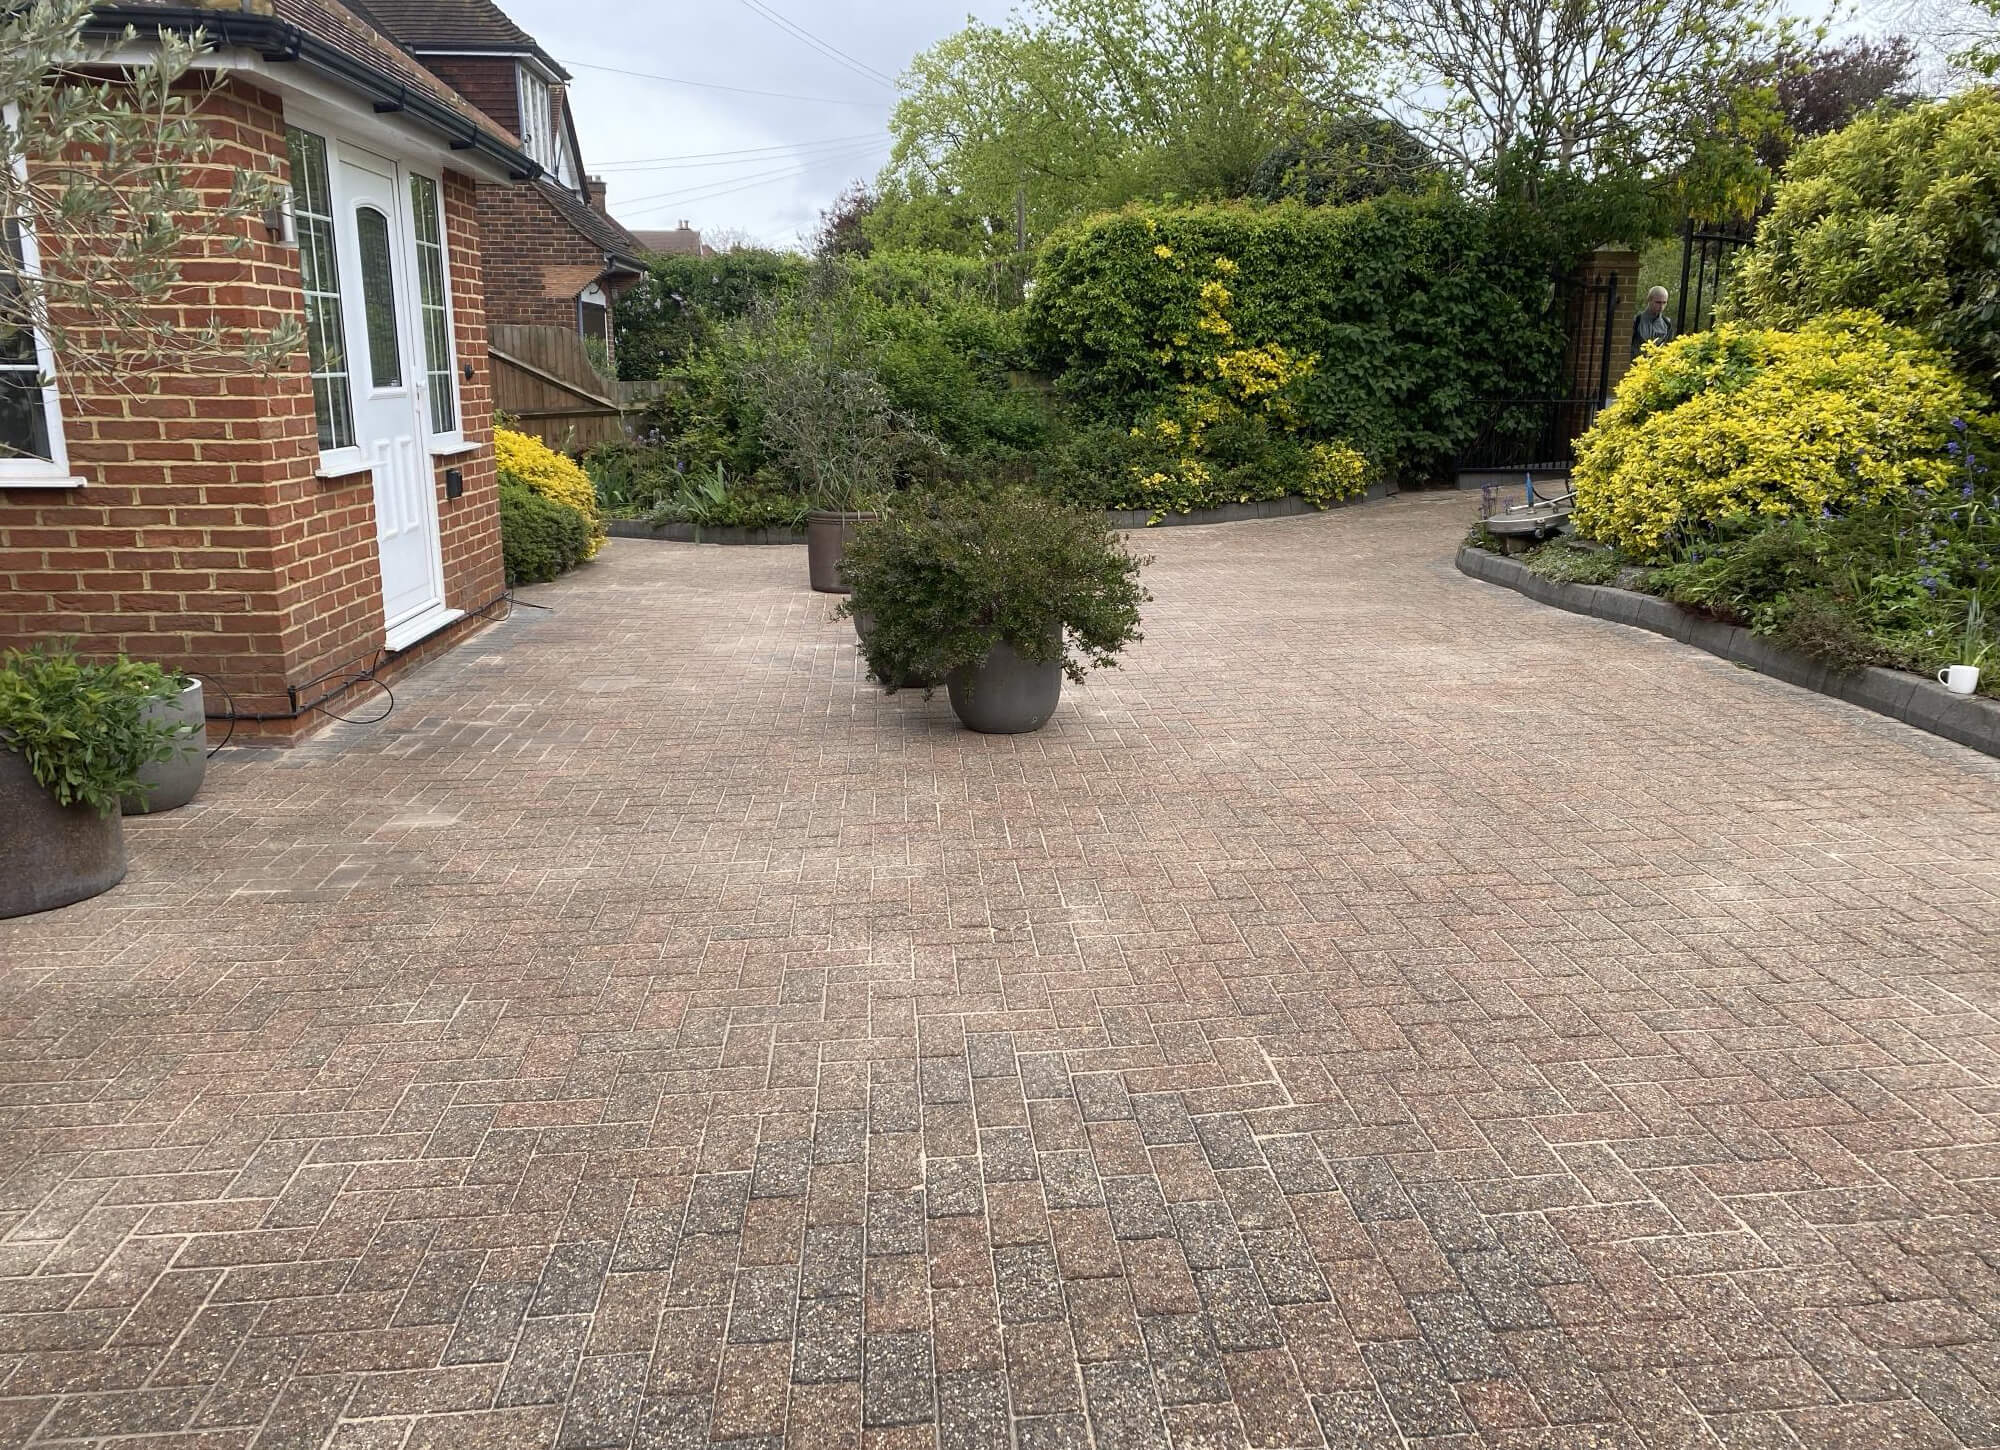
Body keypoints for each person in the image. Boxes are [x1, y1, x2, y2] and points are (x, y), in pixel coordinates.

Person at [1632, 286, 1674, 356]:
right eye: (1658, 302)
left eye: (1664, 303)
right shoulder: (1636, 321)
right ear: (1649, 300)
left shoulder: (1667, 323)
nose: (1661, 307)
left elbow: (1668, 347)